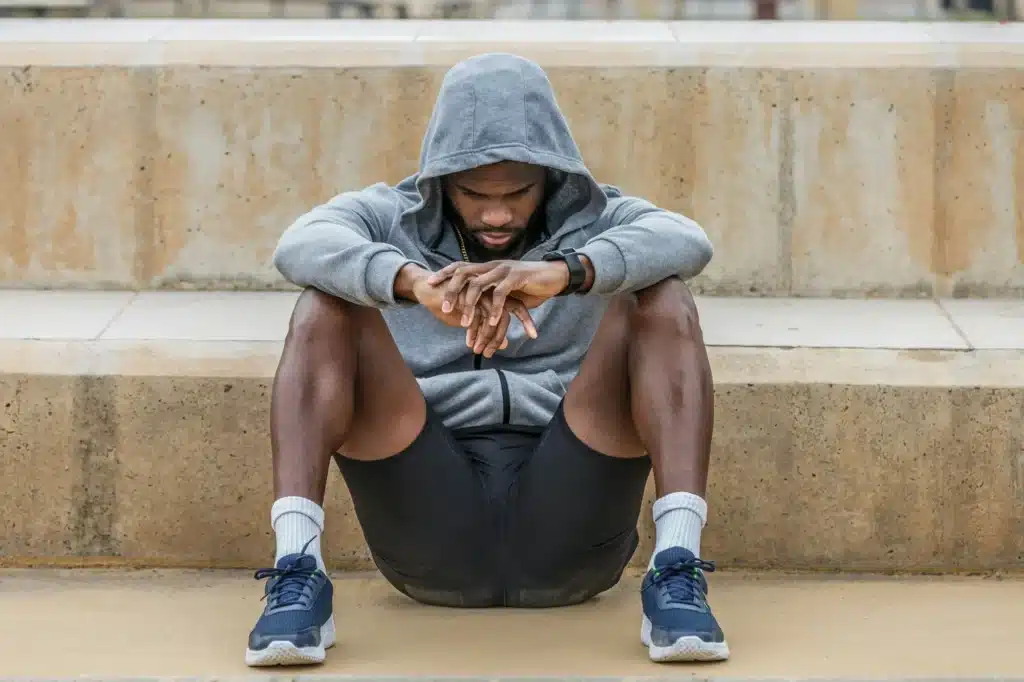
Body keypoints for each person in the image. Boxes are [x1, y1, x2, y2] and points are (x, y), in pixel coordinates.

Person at [245, 52, 727, 667]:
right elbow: (300, 244)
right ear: (439, 180)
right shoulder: (387, 216)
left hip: (572, 501)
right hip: (426, 509)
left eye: (518, 193)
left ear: (552, 178)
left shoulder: (600, 218)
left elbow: (688, 240)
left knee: (662, 296)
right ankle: (296, 573)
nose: (496, 214)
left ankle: (678, 568)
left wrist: (566, 273)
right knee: (325, 306)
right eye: (473, 194)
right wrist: (413, 285)